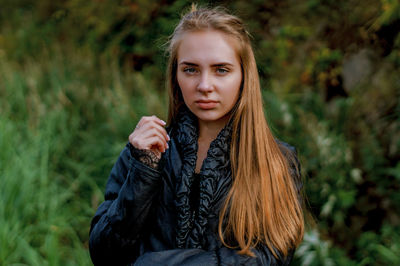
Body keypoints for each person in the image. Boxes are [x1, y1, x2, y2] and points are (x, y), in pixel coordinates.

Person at [89, 5, 304, 266]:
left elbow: (271, 258)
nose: (204, 86)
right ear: (175, 75)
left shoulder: (276, 161)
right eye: (190, 69)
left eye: (221, 70)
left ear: (244, 76)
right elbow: (104, 255)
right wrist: (143, 172)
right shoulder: (147, 151)